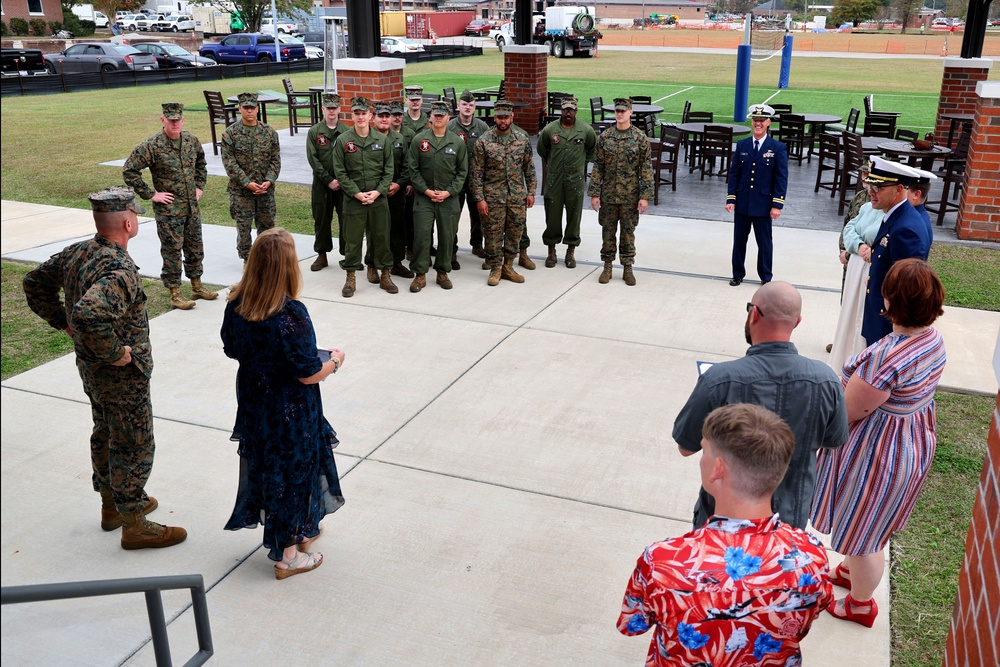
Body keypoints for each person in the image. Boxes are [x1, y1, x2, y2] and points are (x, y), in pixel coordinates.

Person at [23, 186, 187, 550]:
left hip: (90, 368)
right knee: (132, 441)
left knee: (106, 430)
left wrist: (60, 321)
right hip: (121, 374)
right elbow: (89, 313)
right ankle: (135, 523)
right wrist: (115, 353)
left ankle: (112, 506)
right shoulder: (120, 269)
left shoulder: (81, 250)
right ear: (129, 222)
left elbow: (34, 281)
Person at [619, 403, 833, 666]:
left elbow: (633, 624)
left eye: (704, 451)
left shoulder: (664, 561)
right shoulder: (811, 555)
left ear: (717, 469)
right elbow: (810, 615)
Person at [811, 259, 947, 628]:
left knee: (865, 535)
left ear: (893, 301)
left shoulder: (885, 359)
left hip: (879, 453)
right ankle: (851, 571)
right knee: (871, 520)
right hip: (911, 440)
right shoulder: (931, 339)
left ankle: (860, 603)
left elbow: (849, 411)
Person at [221, 228, 346, 579]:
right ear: (288, 267)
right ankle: (288, 557)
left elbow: (233, 349)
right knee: (293, 472)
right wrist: (336, 361)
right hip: (290, 408)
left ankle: (300, 530)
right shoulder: (291, 313)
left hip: (254, 399)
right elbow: (308, 373)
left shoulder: (236, 302)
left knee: (270, 466)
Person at [673, 281, 849, 530]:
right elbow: (834, 439)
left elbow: (685, 446)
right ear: (797, 322)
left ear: (754, 313)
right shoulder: (826, 379)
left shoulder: (719, 380)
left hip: (722, 522)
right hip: (790, 520)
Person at [123, 102, 215, 311]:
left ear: (183, 120)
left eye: (178, 120)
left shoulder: (191, 140)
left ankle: (197, 286)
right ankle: (175, 293)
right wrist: (151, 194)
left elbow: (201, 163)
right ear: (163, 120)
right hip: (169, 211)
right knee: (172, 251)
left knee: (195, 247)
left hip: (191, 208)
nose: (175, 123)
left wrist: (199, 187)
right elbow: (130, 170)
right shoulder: (153, 145)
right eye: (171, 120)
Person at [860, 157, 932, 345]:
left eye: (878, 189)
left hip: (889, 326)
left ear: (899, 189)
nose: (871, 193)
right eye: (870, 187)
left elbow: (907, 288)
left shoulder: (905, 228)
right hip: (879, 318)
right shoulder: (895, 216)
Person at [332, 96, 395, 298]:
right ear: (352, 116)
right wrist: (357, 194)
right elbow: (340, 172)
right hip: (354, 200)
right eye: (356, 114)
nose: (360, 117)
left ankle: (385, 274)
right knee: (353, 240)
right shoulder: (343, 141)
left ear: (371, 115)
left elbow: (388, 172)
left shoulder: (382, 140)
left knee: (382, 238)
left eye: (364, 113)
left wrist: (377, 192)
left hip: (378, 199)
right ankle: (350, 277)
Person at [469, 100, 537, 287]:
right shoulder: (484, 141)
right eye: (499, 117)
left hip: (516, 197)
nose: (503, 121)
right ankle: (495, 267)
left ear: (512, 117)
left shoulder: (521, 140)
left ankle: (508, 266)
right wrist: (480, 199)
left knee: (515, 233)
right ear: (494, 117)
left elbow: (529, 169)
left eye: (506, 117)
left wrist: (531, 192)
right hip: (492, 198)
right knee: (492, 235)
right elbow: (476, 174)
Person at [588, 97, 653, 286]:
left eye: (623, 111)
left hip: (630, 196)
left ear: (630, 112)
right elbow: (598, 166)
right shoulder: (605, 137)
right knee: (607, 231)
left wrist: (644, 197)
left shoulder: (640, 138)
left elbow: (646, 168)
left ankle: (627, 267)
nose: (619, 114)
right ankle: (607, 266)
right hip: (608, 195)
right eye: (617, 111)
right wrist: (594, 193)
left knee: (628, 232)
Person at [405, 100, 468, 292]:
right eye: (435, 115)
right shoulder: (419, 140)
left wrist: (449, 192)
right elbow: (413, 169)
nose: (438, 118)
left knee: (447, 237)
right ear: (430, 118)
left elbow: (462, 172)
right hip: (424, 197)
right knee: (422, 237)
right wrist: (426, 190)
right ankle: (420, 275)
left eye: (442, 115)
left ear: (448, 118)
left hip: (448, 199)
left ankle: (442, 272)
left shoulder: (457, 142)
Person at [726, 104, 788, 287]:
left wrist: (777, 205)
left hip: (763, 204)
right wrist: (731, 198)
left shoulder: (777, 148)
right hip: (744, 202)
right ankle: (737, 274)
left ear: (768, 122)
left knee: (765, 243)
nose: (758, 123)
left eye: (761, 120)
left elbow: (781, 178)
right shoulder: (743, 144)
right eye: (755, 120)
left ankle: (766, 276)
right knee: (739, 241)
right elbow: (734, 173)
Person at [221, 92, 281, 262]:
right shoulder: (230, 134)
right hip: (241, 191)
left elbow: (275, 160)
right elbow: (230, 163)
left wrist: (268, 181)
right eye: (245, 107)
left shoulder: (269, 133)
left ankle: (265, 258)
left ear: (257, 109)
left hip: (265, 190)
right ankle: (247, 260)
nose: (249, 111)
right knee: (243, 227)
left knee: (267, 226)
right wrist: (247, 183)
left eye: (252, 107)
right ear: (239, 109)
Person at [537, 96, 596, 269]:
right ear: (561, 111)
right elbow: (542, 150)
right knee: (552, 215)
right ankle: (551, 251)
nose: (568, 113)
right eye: (565, 110)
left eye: (571, 110)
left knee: (574, 215)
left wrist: (580, 165)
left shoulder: (586, 130)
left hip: (575, 180)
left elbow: (592, 150)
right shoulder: (550, 130)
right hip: (554, 179)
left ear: (576, 110)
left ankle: (570, 251)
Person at [828, 196, 883, 372]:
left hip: (868, 269)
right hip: (856, 269)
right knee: (849, 313)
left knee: (861, 316)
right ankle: (841, 359)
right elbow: (850, 228)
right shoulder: (866, 206)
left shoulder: (891, 215)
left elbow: (874, 235)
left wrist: (866, 245)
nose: (873, 192)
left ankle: (857, 363)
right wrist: (859, 245)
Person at [372, 101, 413, 280]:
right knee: (376, 230)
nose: (384, 119)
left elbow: (407, 166)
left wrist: (399, 184)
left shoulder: (400, 140)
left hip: (396, 192)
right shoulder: (369, 138)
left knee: (398, 229)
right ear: (373, 118)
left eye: (387, 116)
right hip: (376, 193)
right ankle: (372, 264)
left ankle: (396, 262)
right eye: (380, 116)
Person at [447, 89, 490, 260]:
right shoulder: (450, 126)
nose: (467, 108)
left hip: (476, 180)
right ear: (458, 106)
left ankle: (477, 245)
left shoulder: (482, 127)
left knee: (478, 214)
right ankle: (452, 248)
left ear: (475, 107)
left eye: (471, 105)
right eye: (464, 104)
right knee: (453, 215)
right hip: (455, 179)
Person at [306, 93, 346, 272]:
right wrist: (328, 180)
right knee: (322, 219)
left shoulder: (346, 131)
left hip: (344, 185)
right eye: (328, 108)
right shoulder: (315, 132)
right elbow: (313, 159)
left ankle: (349, 255)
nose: (331, 111)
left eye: (334, 108)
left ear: (339, 109)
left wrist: (342, 180)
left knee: (347, 220)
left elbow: (351, 159)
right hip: (322, 185)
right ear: (323, 109)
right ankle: (322, 255)